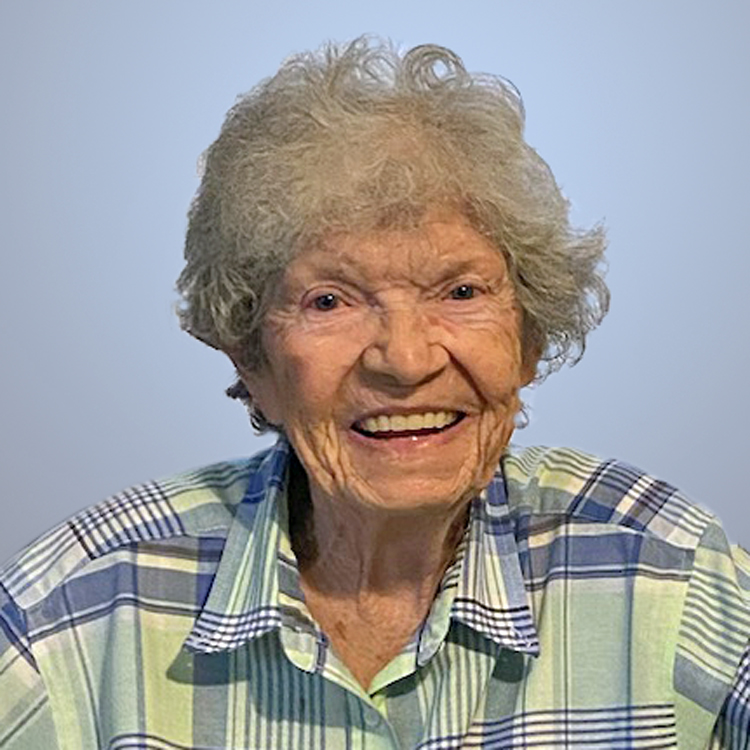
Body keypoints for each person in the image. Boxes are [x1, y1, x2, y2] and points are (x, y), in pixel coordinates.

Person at [1, 36, 748, 749]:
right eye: (330, 301)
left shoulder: (669, 572)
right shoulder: (66, 618)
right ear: (253, 360)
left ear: (528, 341)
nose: (406, 360)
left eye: (460, 291)